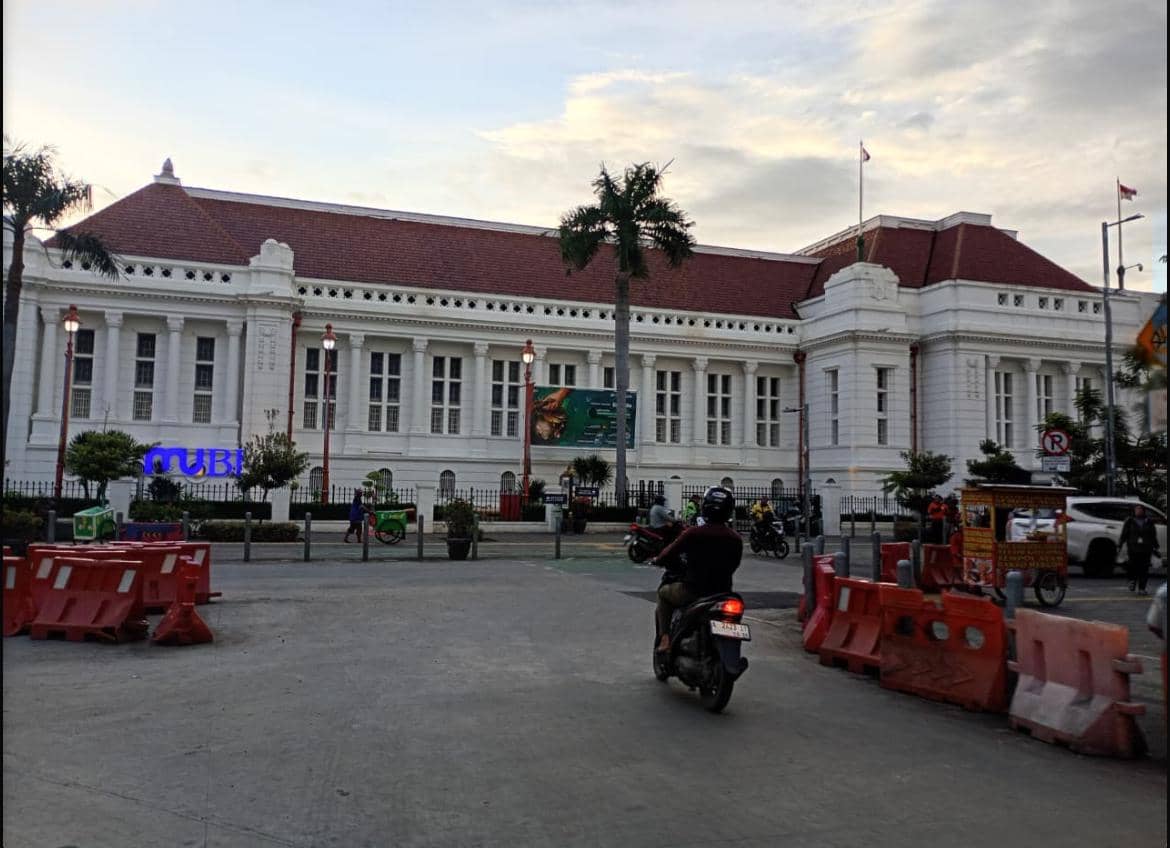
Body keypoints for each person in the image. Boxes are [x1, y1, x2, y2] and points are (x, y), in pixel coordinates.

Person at [653, 487, 743, 653]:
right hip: (723, 593)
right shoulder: (735, 538)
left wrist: (658, 559)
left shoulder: (693, 533)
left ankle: (665, 638)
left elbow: (669, 552)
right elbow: (734, 565)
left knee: (663, 594)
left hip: (693, 591)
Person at [1118, 503, 1161, 594]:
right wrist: (1120, 545)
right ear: (1134, 511)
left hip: (1146, 548)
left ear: (1143, 511)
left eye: (1140, 509)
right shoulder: (1129, 521)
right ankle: (1132, 581)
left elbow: (1153, 535)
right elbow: (1124, 534)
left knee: (1144, 569)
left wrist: (1156, 547)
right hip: (1133, 548)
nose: (1138, 511)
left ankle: (1142, 588)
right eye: (1137, 510)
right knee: (1132, 567)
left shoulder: (1148, 521)